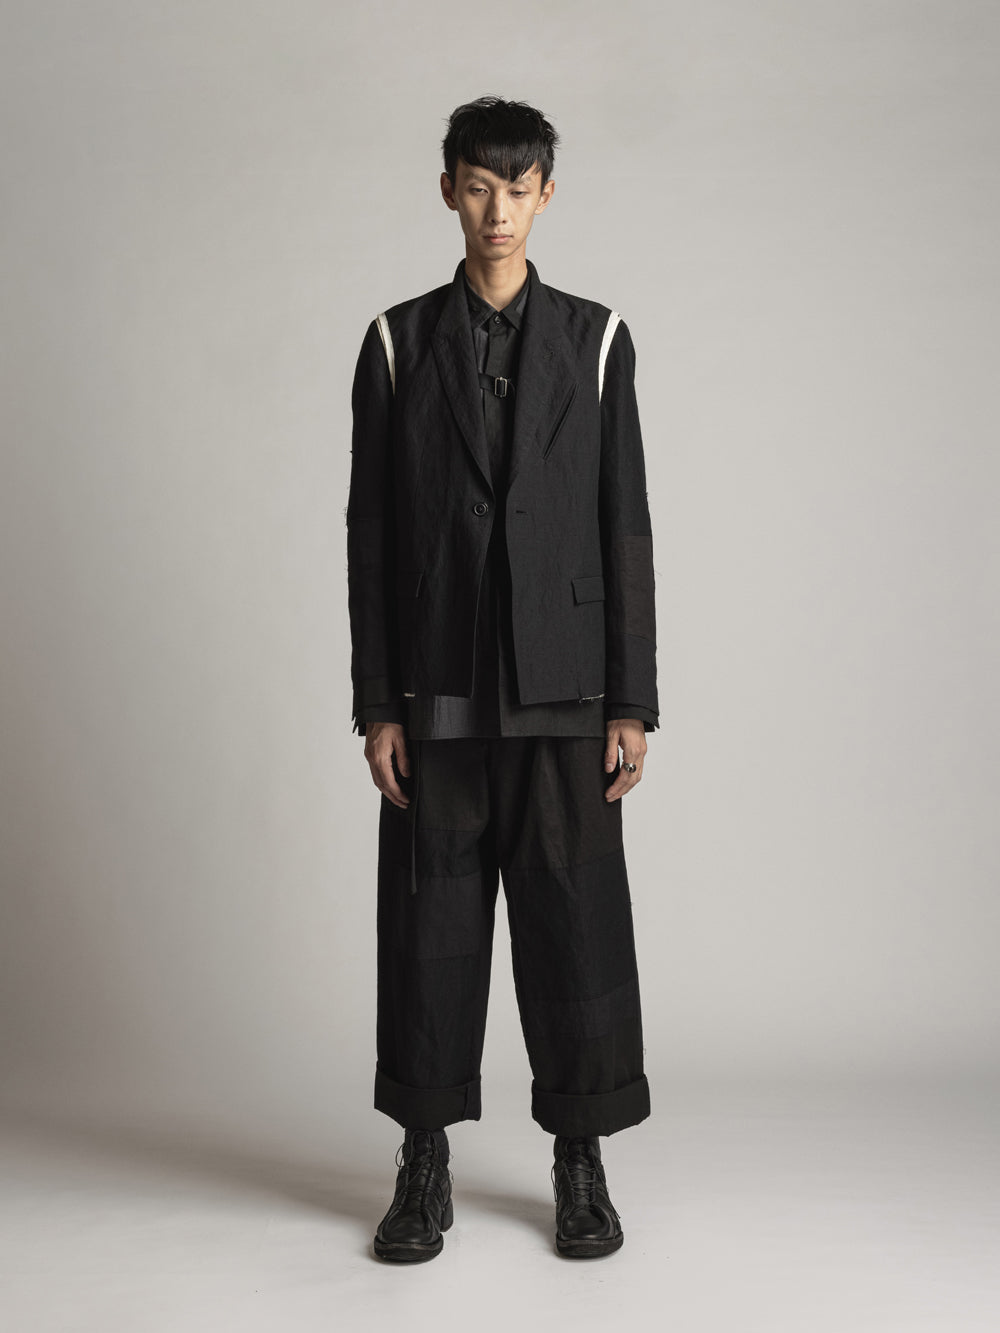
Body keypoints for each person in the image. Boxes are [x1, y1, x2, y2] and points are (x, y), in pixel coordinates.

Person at [347, 96, 658, 1262]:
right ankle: (422, 1158)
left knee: (574, 926)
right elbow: (371, 537)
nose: (496, 210)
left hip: (564, 690)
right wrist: (378, 703)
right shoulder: (395, 342)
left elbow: (624, 524)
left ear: (545, 196)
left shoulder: (598, 339)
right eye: (477, 186)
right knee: (429, 932)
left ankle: (580, 1160)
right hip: (436, 694)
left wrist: (630, 699)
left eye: (516, 189)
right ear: (449, 190)